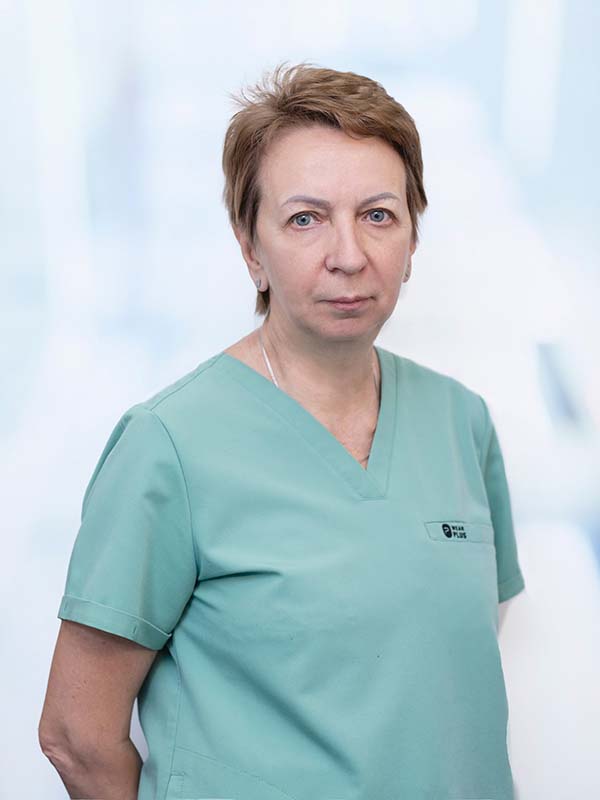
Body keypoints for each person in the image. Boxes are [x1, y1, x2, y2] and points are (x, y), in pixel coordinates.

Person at [38, 61, 526, 800]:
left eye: (378, 215)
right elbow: (76, 736)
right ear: (250, 247)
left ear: (412, 238)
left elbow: (435, 666)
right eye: (305, 218)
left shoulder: (462, 421)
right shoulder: (171, 444)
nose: (349, 256)